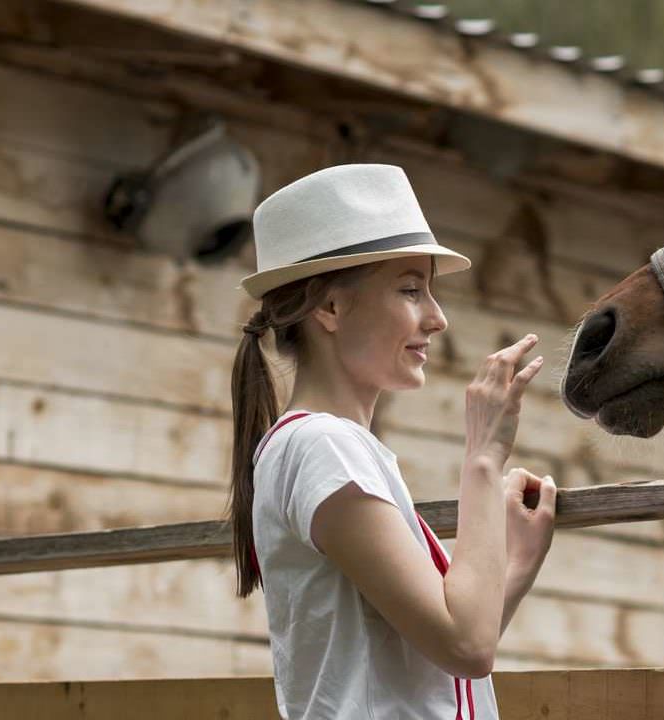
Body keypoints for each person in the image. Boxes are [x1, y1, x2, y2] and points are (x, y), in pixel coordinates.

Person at [225, 163, 555, 719]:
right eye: (410, 290)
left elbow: (442, 647)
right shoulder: (322, 448)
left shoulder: (325, 449)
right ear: (329, 308)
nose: (438, 318)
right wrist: (482, 458)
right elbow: (466, 646)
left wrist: (515, 560)